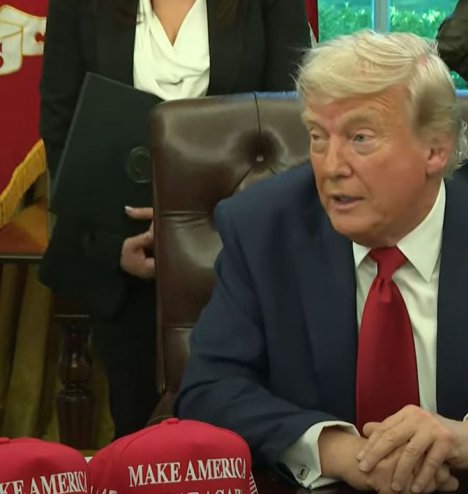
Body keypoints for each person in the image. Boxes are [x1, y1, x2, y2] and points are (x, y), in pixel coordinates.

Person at [176, 30, 468, 493]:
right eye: (318, 136)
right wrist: (340, 453)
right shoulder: (263, 230)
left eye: (361, 137)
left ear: (436, 150)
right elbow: (208, 391)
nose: (331, 165)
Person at [38, 0, 310, 438]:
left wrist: (198, 226)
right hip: (127, 256)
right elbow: (61, 129)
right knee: (140, 442)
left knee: (242, 441)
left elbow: (290, 127)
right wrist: (114, 244)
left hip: (237, 256)